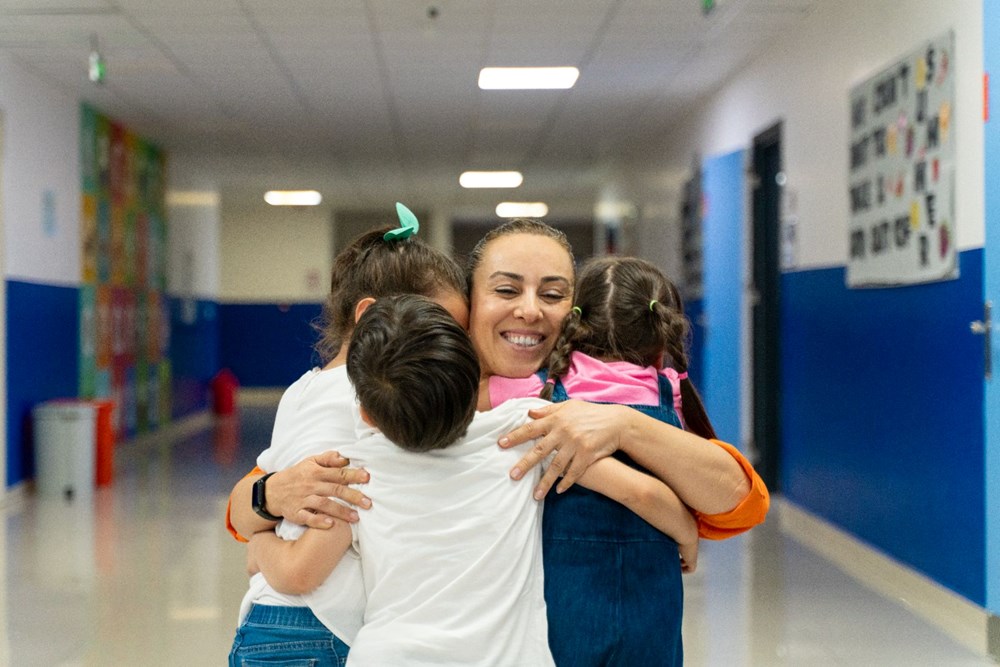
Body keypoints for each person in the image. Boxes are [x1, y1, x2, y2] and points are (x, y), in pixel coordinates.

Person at [228, 217, 769, 666]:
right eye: (506, 290)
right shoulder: (409, 396)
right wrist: (269, 495)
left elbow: (738, 504)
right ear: (466, 308)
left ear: (575, 315)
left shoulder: (566, 407)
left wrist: (623, 426)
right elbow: (245, 510)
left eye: (553, 294)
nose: (530, 310)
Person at [246, 294, 701, 666]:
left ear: (364, 412)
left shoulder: (356, 468)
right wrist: (685, 534)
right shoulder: (526, 430)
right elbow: (641, 492)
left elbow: (297, 572)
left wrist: (258, 547)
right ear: (477, 378)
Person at [228, 208, 471, 667]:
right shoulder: (374, 404)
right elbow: (303, 566)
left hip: (272, 618)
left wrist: (258, 533)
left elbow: (256, 492)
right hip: (315, 627)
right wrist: (262, 547)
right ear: (369, 316)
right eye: (437, 328)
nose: (448, 348)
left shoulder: (303, 389)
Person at [483, 254, 722, 664]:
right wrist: (686, 534)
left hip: (562, 599)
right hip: (653, 602)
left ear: (574, 324)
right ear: (661, 338)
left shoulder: (533, 393)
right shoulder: (670, 393)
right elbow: (664, 490)